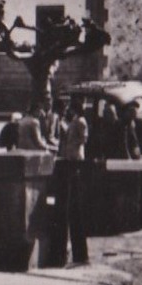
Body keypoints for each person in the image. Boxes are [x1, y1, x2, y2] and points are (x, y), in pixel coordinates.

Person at [53, 105, 90, 267]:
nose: (67, 110)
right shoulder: (69, 122)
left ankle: (74, 255)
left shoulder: (80, 121)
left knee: (71, 207)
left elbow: (83, 139)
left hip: (74, 162)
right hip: (67, 162)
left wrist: (72, 142)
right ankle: (76, 255)